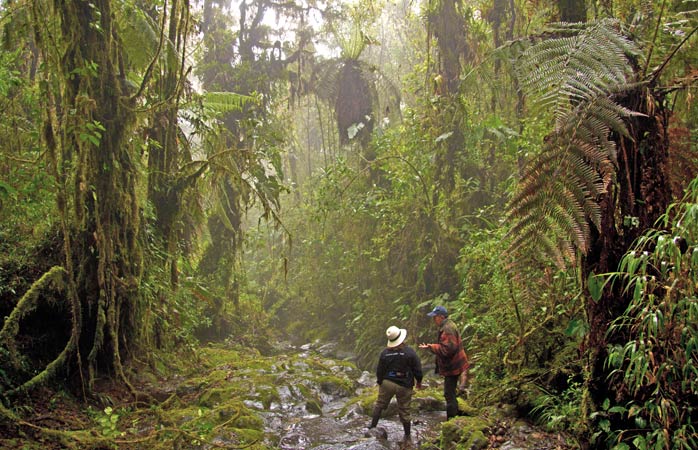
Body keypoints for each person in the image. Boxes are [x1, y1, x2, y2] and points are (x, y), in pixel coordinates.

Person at [369, 325, 423, 440]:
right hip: (405, 385)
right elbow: (417, 369)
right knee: (405, 410)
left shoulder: (385, 353)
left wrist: (380, 382)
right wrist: (419, 381)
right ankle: (407, 436)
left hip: (387, 383)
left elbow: (380, 371)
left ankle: (372, 428)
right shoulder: (410, 352)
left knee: (379, 405)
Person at [419, 305, 469, 420]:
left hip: (453, 366)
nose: (434, 319)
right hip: (456, 364)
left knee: (449, 394)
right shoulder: (448, 325)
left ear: (441, 317)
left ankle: (452, 420)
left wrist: (431, 347)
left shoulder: (447, 329)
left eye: (435, 317)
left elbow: (448, 349)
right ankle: (455, 418)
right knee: (450, 393)